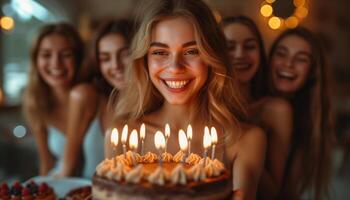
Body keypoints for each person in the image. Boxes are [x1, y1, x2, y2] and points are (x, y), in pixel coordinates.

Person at [105, 1, 267, 199]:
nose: (175, 67)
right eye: (160, 52)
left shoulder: (245, 140)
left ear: (212, 57)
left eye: (192, 51)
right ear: (144, 61)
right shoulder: (122, 135)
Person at [221, 16, 293, 199]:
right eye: (230, 47)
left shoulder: (276, 109)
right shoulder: (204, 106)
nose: (240, 54)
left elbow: (274, 192)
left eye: (249, 46)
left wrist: (247, 150)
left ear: (261, 53)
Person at [23, 23, 103, 178]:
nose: (55, 64)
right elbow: (47, 163)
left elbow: (69, 167)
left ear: (79, 58)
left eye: (66, 54)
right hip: (62, 184)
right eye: (46, 55)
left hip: (93, 189)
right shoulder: (35, 100)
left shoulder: (85, 94)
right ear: (36, 60)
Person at [268, 27, 334, 199]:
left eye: (301, 59)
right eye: (281, 54)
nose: (288, 64)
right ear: (269, 59)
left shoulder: (306, 120)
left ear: (312, 72)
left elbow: (286, 193)